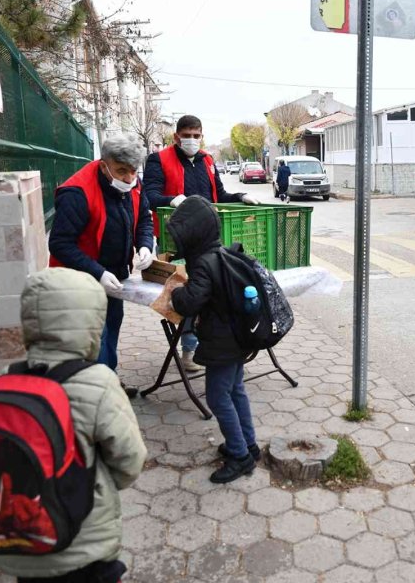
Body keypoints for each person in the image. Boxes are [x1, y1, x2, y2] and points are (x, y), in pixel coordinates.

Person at [0, 268, 147, 583]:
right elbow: (130, 459)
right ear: (91, 322)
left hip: (20, 540)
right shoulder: (98, 381)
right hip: (84, 543)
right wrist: (97, 482)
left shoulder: (2, 381)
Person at [144, 115, 260, 372]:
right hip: (176, 241)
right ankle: (189, 349)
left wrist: (241, 196)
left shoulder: (207, 160)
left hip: (207, 243)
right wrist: (172, 199)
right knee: (187, 292)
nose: (192, 140)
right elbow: (149, 196)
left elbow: (219, 195)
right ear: (176, 137)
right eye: (187, 135)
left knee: (212, 294)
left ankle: (215, 343)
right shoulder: (158, 160)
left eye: (197, 136)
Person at [48, 134, 154, 397]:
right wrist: (97, 272)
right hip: (81, 281)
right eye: (121, 171)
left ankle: (108, 381)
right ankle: (99, 397)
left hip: (116, 278)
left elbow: (143, 219)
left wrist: (144, 245)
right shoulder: (77, 192)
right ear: (104, 164)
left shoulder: (132, 184)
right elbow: (60, 244)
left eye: (133, 171)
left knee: (112, 326)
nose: (129, 178)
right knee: (97, 337)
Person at [168, 197, 260, 484]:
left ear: (193, 235)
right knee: (236, 390)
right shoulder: (218, 254)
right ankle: (249, 444)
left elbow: (191, 302)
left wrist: (175, 293)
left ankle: (239, 455)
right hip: (236, 338)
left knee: (218, 397)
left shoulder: (204, 263)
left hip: (221, 343)